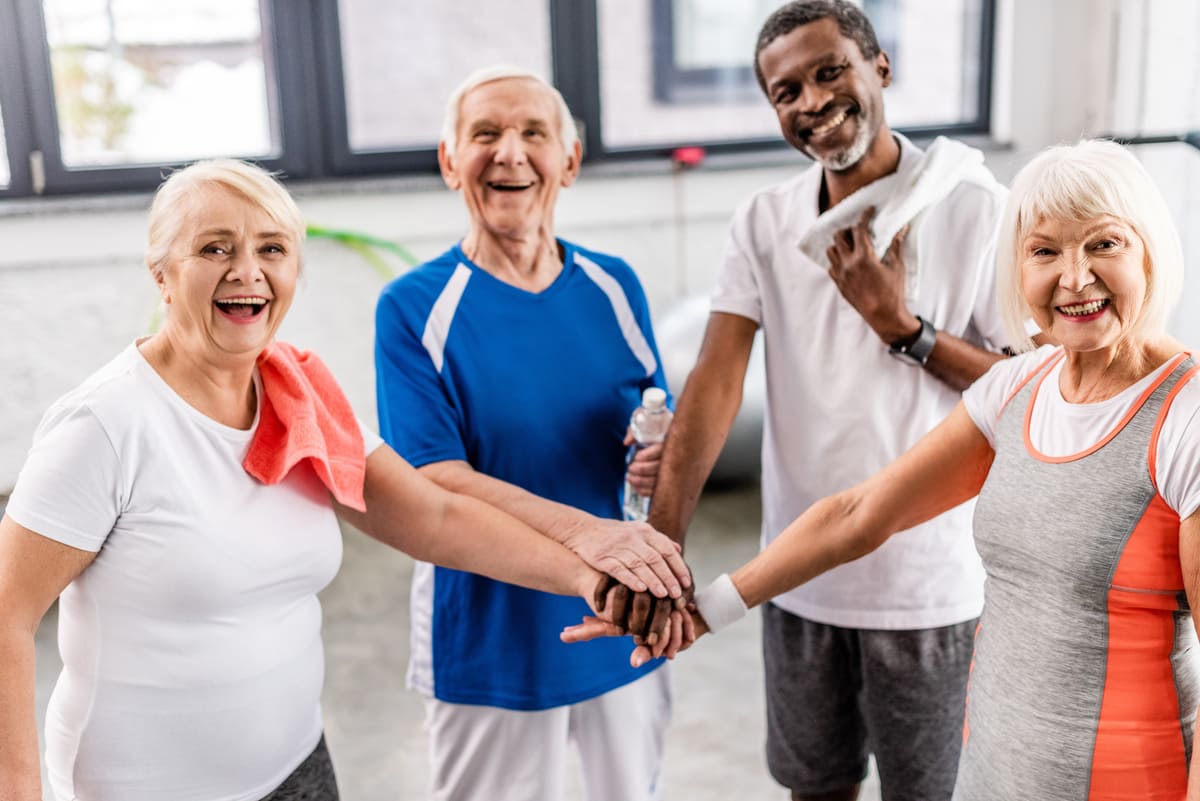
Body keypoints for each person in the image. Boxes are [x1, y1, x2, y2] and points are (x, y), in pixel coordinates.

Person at [0, 159, 666, 801]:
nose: (247, 273)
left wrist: (587, 573)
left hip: (298, 768)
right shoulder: (106, 424)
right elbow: (7, 612)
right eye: (214, 248)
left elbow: (433, 518)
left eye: (271, 249)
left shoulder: (299, 395)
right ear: (163, 273)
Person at [571, 137, 1200, 800]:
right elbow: (859, 515)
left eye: (1104, 244)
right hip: (991, 780)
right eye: (1045, 250)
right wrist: (703, 609)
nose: (1073, 278)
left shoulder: (1184, 417)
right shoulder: (1018, 387)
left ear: (1150, 251)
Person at [637, 2, 1022, 800]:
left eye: (829, 71)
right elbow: (713, 383)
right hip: (798, 577)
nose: (810, 101)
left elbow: (1024, 396)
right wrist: (659, 550)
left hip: (931, 588)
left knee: (931, 791)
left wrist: (903, 326)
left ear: (880, 68)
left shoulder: (977, 207)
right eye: (785, 91)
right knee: (815, 787)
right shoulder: (765, 220)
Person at [373, 64, 687, 801]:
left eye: (533, 133)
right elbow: (434, 480)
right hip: (491, 639)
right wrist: (591, 537)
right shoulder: (414, 307)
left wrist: (655, 456)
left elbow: (652, 418)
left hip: (621, 618)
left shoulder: (615, 285)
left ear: (568, 161)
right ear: (451, 162)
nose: (509, 152)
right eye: (484, 134)